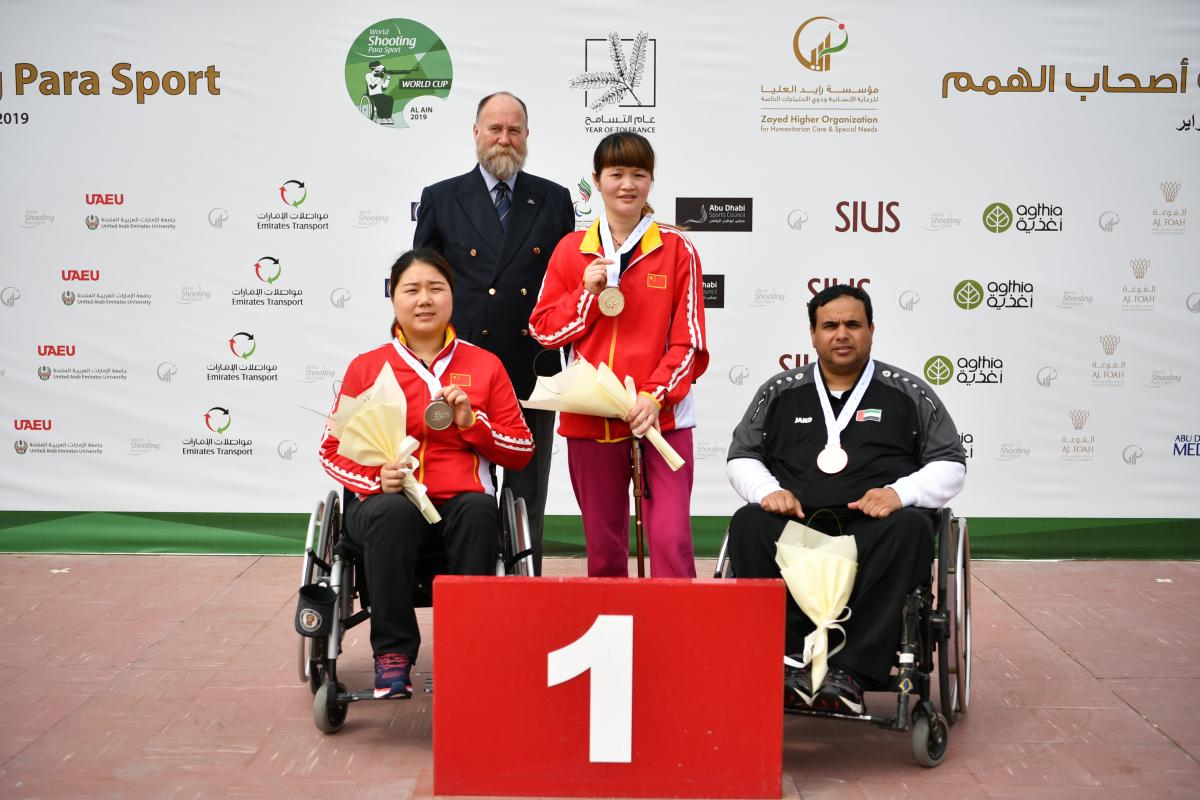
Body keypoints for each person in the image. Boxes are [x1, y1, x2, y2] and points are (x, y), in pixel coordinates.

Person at [725, 284, 965, 715]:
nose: (842, 334)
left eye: (853, 324)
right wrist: (768, 492)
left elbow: (951, 464)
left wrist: (899, 493)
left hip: (874, 530)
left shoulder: (909, 393)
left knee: (911, 526)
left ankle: (851, 670)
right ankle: (787, 662)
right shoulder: (779, 392)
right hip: (799, 527)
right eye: (830, 325)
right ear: (812, 335)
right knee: (748, 522)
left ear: (871, 330)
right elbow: (742, 456)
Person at [319, 248, 533, 699]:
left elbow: (521, 449)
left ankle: (465, 649)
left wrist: (472, 424)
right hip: (383, 508)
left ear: (452, 297)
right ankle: (392, 654)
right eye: (411, 290)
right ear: (393, 298)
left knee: (479, 509)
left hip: (458, 508)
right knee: (391, 513)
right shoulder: (367, 367)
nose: (424, 300)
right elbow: (331, 450)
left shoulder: (484, 365)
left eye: (436, 289)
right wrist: (376, 480)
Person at [529, 131, 709, 578]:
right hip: (591, 421)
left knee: (670, 541)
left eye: (638, 174)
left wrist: (654, 396)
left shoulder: (677, 249)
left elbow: (690, 343)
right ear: (597, 180)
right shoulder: (572, 250)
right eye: (616, 174)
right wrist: (586, 296)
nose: (627, 184)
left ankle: (675, 642)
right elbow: (544, 330)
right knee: (604, 550)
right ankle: (614, 644)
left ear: (650, 182)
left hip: (661, 418)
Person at [414, 91, 573, 576]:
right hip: (460, 372)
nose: (504, 138)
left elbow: (563, 286)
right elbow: (423, 285)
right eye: (495, 128)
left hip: (533, 368)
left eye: (514, 130)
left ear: (527, 137)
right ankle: (464, 583)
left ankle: (525, 591)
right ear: (476, 132)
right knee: (464, 487)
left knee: (528, 493)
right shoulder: (441, 198)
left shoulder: (554, 198)